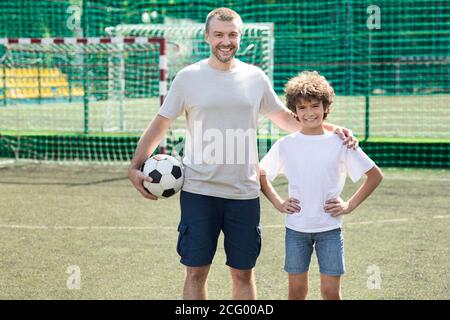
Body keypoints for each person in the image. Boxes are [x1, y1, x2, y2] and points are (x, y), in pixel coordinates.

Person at [128, 8, 357, 300]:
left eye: (232, 35)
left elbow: (289, 120)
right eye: (219, 35)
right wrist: (135, 166)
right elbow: (161, 123)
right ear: (207, 36)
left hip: (244, 194)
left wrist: (335, 129)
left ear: (240, 37)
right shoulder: (188, 78)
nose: (226, 41)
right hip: (199, 192)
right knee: (196, 272)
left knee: (243, 274)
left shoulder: (255, 78)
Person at [259, 71, 383, 300]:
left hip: (330, 229)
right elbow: (261, 174)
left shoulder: (340, 142)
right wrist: (278, 202)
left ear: (326, 107)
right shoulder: (286, 144)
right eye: (302, 107)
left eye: (315, 106)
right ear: (294, 112)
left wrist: (348, 205)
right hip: (296, 229)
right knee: (296, 292)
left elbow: (375, 175)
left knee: (330, 293)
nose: (309, 113)